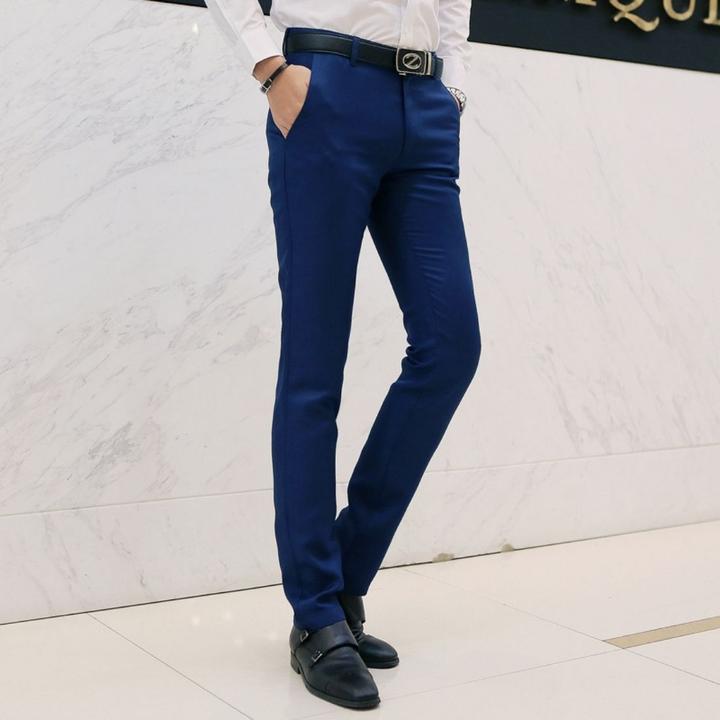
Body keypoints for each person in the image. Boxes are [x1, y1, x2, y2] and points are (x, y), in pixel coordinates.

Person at [205, 0, 481, 710]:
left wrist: (452, 87)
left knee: (451, 346)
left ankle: (341, 581)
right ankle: (316, 614)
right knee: (314, 365)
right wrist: (271, 68)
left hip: (424, 106)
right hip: (325, 88)